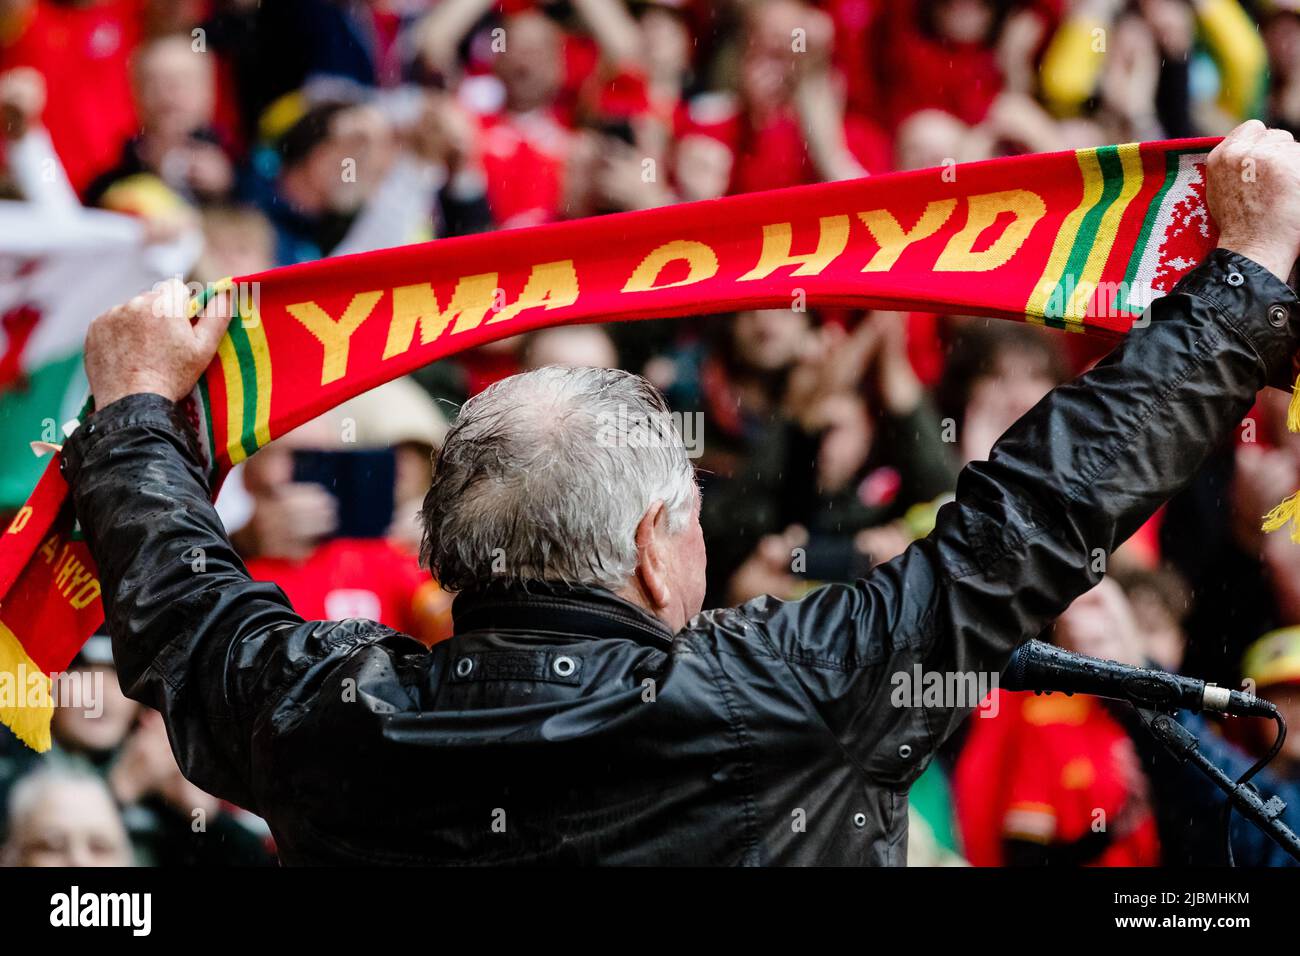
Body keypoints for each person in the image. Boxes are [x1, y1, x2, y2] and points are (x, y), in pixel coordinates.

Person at [64, 121, 1300, 864]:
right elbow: (1035, 513)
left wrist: (130, 410)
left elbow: (179, 605)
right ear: (660, 549)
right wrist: (1239, 283)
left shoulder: (319, 714)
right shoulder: (790, 688)